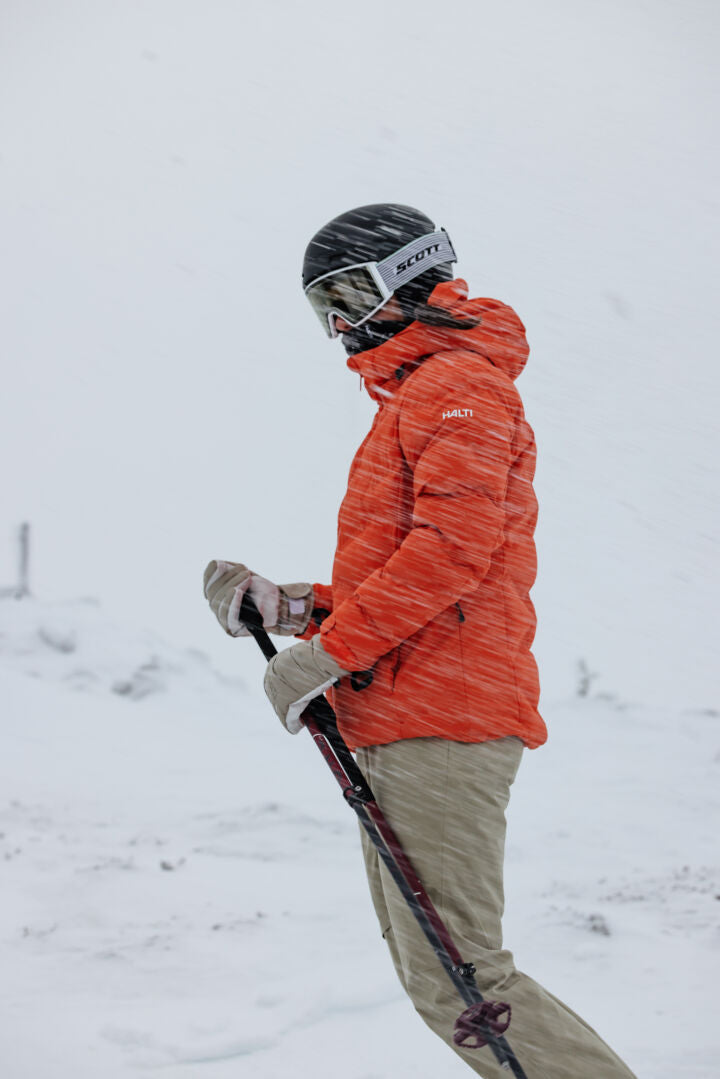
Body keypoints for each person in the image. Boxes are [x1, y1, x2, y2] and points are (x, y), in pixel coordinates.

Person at [203, 204, 637, 1078]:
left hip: (444, 719)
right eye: (321, 305)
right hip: (405, 716)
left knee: (466, 981)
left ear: (411, 275)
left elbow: (449, 557)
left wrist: (322, 660)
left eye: (349, 294)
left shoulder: (459, 386)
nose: (337, 324)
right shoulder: (418, 393)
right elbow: (408, 576)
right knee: (439, 978)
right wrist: (284, 607)